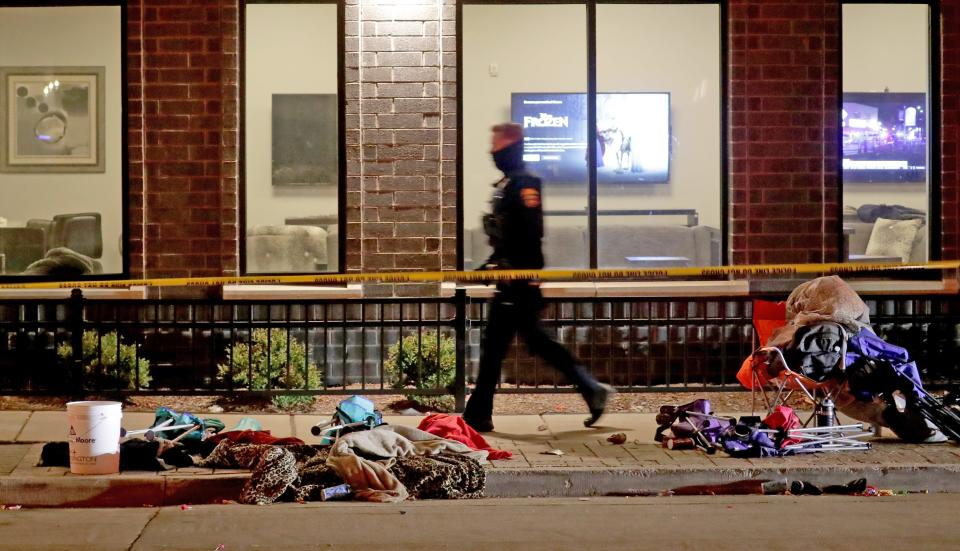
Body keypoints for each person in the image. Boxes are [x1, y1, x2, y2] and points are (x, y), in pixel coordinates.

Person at [462, 123, 614, 433]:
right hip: (509, 280)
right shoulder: (506, 186)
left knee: (509, 347)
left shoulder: (525, 185)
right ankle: (479, 414)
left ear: (511, 151)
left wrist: (526, 275)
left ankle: (478, 415)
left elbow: (531, 235)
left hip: (519, 283)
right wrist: (489, 266)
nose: (493, 153)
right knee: (524, 344)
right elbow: (504, 237)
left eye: (498, 149)